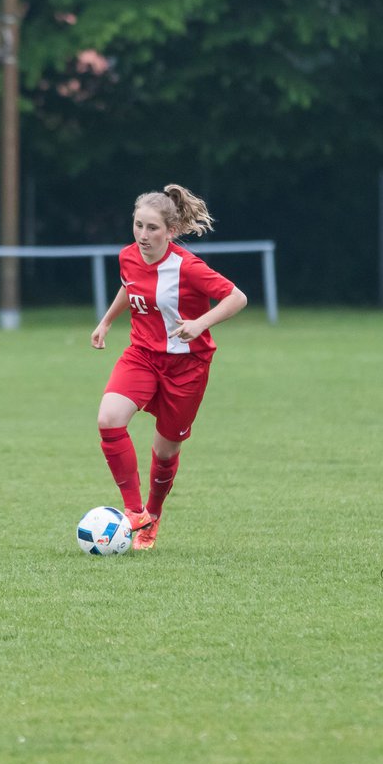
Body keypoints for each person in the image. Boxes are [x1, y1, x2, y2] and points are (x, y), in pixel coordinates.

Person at [90, 184, 248, 550]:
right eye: (138, 225)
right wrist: (107, 321)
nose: (142, 236)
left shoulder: (188, 267)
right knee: (109, 418)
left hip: (187, 367)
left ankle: (153, 516)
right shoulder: (128, 256)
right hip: (142, 355)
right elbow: (130, 287)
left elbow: (237, 297)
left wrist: (201, 323)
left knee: (165, 452)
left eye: (152, 228)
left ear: (171, 231)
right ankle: (134, 512)